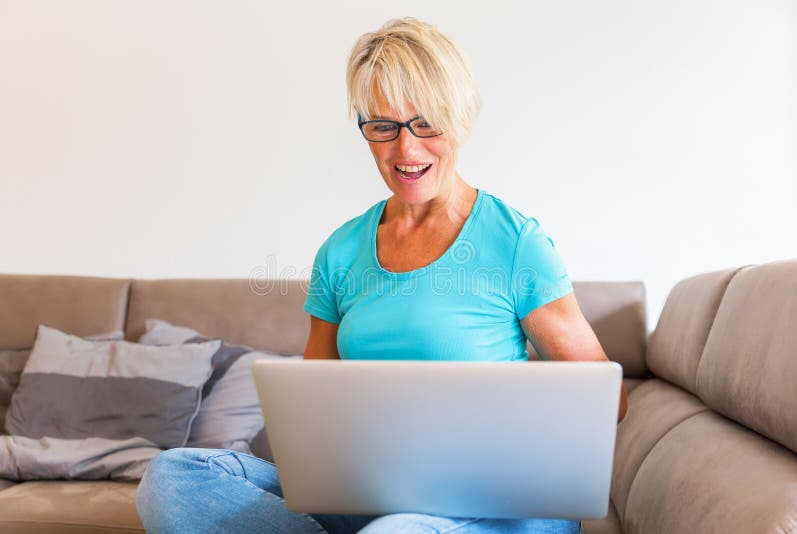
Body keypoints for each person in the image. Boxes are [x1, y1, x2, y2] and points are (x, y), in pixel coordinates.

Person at [136, 17, 627, 534]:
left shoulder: (516, 243)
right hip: (367, 499)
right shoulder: (341, 252)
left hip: (492, 508)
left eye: (426, 123)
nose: (405, 150)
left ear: (458, 118)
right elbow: (312, 412)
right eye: (383, 127)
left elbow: (604, 401)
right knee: (173, 479)